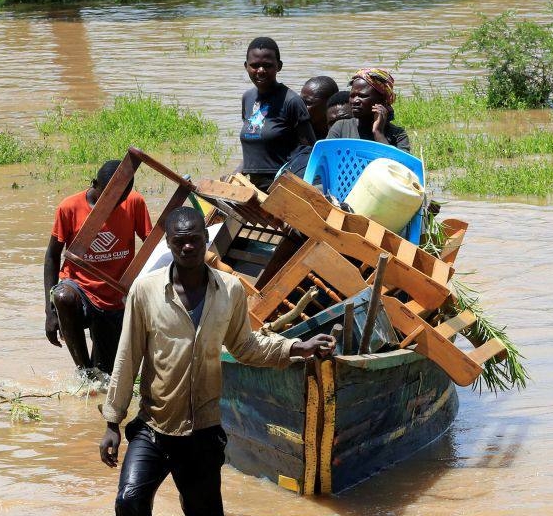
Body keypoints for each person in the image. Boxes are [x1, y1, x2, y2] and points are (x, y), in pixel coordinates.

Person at [99, 207, 336, 516]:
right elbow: (127, 356)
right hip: (154, 426)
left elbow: (245, 346)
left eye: (194, 240)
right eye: (179, 241)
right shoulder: (146, 291)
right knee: (128, 502)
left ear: (206, 239)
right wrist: (112, 422)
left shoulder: (230, 290)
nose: (187, 247)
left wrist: (297, 347)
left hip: (203, 431)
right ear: (169, 244)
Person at [43, 160, 153, 376]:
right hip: (80, 289)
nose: (115, 205)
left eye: (121, 199)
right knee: (63, 296)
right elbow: (52, 256)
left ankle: (94, 374)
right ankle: (82, 372)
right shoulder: (70, 207)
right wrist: (49, 311)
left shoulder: (134, 203)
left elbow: (152, 246)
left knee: (105, 374)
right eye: (109, 198)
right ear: (95, 184)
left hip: (115, 297)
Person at [239, 37, 316, 191]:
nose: (260, 71)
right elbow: (255, 148)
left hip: (283, 187)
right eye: (255, 65)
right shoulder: (248, 98)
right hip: (253, 187)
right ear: (246, 66)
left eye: (267, 65)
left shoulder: (291, 101)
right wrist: (237, 174)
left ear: (278, 66)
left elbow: (310, 152)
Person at [327, 68, 410, 152]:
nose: (355, 101)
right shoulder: (340, 127)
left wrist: (378, 133)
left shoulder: (398, 134)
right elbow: (326, 157)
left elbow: (397, 164)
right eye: (352, 95)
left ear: (382, 100)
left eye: (362, 96)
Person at [300, 75, 340, 140]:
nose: (301, 107)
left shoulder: (343, 131)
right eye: (301, 101)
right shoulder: (296, 129)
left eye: (308, 103)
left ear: (329, 104)